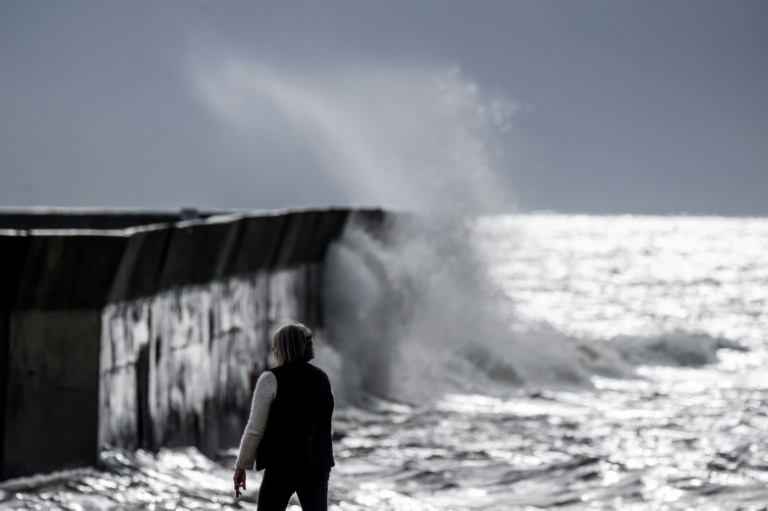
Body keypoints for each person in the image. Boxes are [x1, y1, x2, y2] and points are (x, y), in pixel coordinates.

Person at [233, 322, 335, 510]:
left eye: (276, 345)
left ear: (282, 348)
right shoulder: (321, 378)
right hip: (316, 464)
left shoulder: (271, 379)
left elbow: (255, 428)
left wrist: (242, 466)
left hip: (282, 465)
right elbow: (325, 424)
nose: (273, 349)